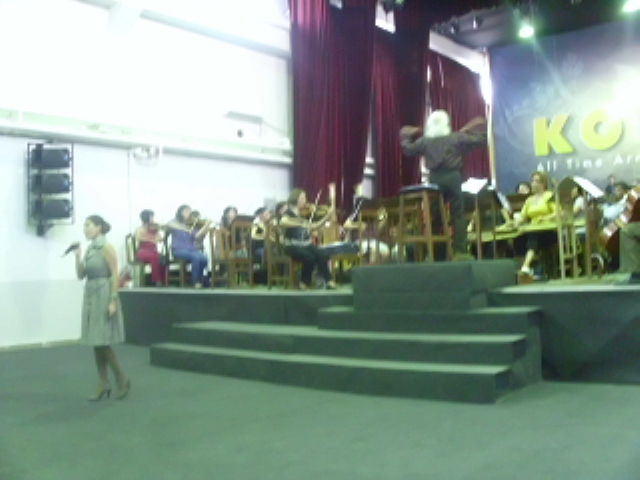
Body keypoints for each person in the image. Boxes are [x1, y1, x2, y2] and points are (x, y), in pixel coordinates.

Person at [400, 111, 488, 260]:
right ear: (447, 124)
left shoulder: (425, 141)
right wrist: (479, 131)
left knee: (435, 216)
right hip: (453, 177)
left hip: (434, 179)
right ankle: (460, 251)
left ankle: (434, 253)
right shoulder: (456, 137)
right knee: (457, 215)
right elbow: (480, 141)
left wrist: (405, 138)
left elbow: (408, 150)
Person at [73, 215, 130, 401]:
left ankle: (121, 377)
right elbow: (81, 275)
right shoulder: (91, 248)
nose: (85, 229)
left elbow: (114, 275)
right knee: (96, 341)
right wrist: (77, 256)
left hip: (104, 294)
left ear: (99, 227)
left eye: (88, 225)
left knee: (102, 342)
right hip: (91, 294)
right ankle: (103, 382)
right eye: (84, 225)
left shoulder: (106, 247)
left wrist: (113, 300)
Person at [279, 189, 337, 290]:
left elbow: (314, 226)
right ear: (296, 199)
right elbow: (283, 222)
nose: (305, 200)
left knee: (321, 254)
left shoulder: (302, 214)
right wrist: (300, 223)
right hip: (292, 246)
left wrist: (327, 217)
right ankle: (304, 283)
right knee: (309, 257)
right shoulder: (289, 212)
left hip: (305, 244)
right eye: (302, 198)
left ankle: (329, 281)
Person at [514, 171, 557, 277]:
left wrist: (545, 218)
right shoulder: (529, 200)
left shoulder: (549, 196)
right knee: (518, 238)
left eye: (536, 181)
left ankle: (526, 266)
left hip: (549, 231)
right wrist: (517, 221)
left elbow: (557, 213)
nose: (533, 184)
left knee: (534, 237)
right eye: (532, 181)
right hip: (533, 229)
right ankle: (526, 267)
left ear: (543, 184)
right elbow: (523, 216)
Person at [167, 205, 211, 288]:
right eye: (186, 211)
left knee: (204, 258)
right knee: (196, 257)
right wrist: (184, 228)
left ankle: (200, 279)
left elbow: (197, 235)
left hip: (191, 249)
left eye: (189, 212)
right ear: (180, 212)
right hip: (178, 250)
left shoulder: (191, 224)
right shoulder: (175, 221)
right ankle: (195, 281)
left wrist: (206, 226)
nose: (188, 213)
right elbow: (169, 224)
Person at [134, 209, 166, 286]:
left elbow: (160, 240)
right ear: (147, 217)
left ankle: (163, 280)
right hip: (142, 252)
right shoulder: (139, 228)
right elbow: (138, 237)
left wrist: (163, 233)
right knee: (155, 257)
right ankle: (157, 280)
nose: (153, 219)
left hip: (153, 251)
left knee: (162, 258)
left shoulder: (154, 228)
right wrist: (150, 238)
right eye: (152, 217)